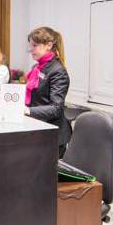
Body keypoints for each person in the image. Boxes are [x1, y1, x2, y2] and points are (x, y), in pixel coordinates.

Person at [24, 26, 72, 158]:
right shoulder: (37, 67)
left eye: (34, 45)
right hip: (37, 129)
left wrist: (27, 110)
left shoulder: (58, 71)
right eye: (30, 45)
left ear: (49, 45)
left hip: (52, 135)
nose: (30, 49)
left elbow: (56, 108)